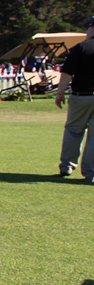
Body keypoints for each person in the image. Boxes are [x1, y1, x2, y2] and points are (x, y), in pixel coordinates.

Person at [55, 16, 94, 182]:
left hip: (81, 96)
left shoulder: (81, 48)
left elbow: (67, 73)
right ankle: (90, 172)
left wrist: (60, 92)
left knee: (73, 131)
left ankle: (67, 166)